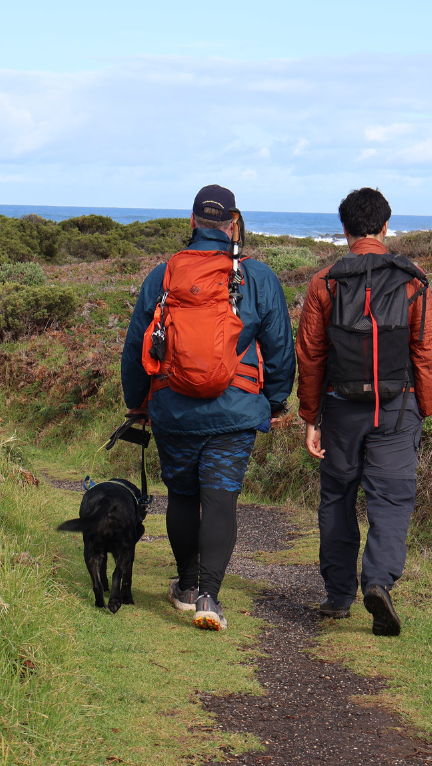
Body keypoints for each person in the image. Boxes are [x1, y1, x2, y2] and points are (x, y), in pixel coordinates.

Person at [121, 184, 295, 631]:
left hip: (173, 408)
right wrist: (275, 401)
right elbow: (279, 349)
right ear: (233, 223)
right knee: (221, 499)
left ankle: (184, 584)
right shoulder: (257, 277)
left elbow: (136, 347)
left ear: (193, 221)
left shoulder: (163, 276)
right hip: (235, 410)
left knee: (182, 495)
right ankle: (208, 597)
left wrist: (137, 404)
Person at [296, 187, 432, 635]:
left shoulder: (325, 282)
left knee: (338, 499)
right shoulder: (412, 279)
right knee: (392, 500)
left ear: (344, 230)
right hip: (397, 410)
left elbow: (311, 354)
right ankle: (378, 582)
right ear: (384, 226)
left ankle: (339, 595)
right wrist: (425, 407)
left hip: (341, 409)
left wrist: (310, 416)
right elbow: (428, 350)